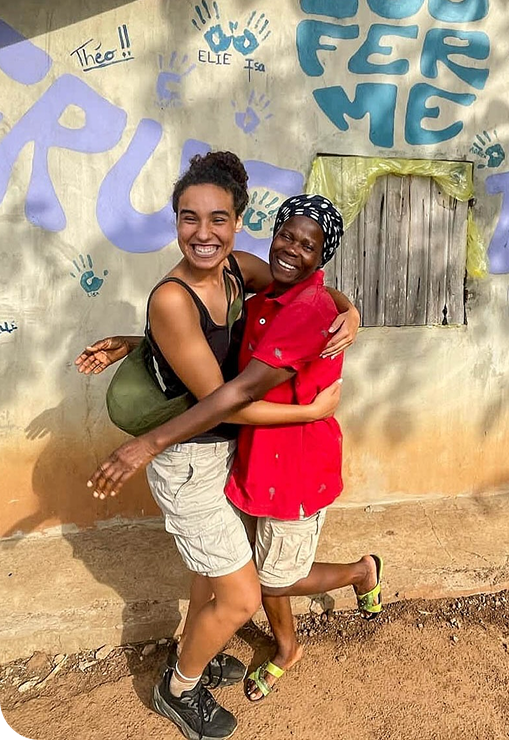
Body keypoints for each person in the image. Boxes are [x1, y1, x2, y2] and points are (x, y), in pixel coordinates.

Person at [76, 152, 360, 740]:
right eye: (188, 218)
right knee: (240, 596)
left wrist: (351, 310)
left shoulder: (238, 268)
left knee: (209, 578)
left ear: (237, 220)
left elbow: (309, 285)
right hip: (187, 461)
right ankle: (178, 689)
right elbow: (224, 396)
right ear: (175, 220)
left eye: (218, 219)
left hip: (223, 453)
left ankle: (195, 661)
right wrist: (146, 444)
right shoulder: (172, 298)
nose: (203, 233)